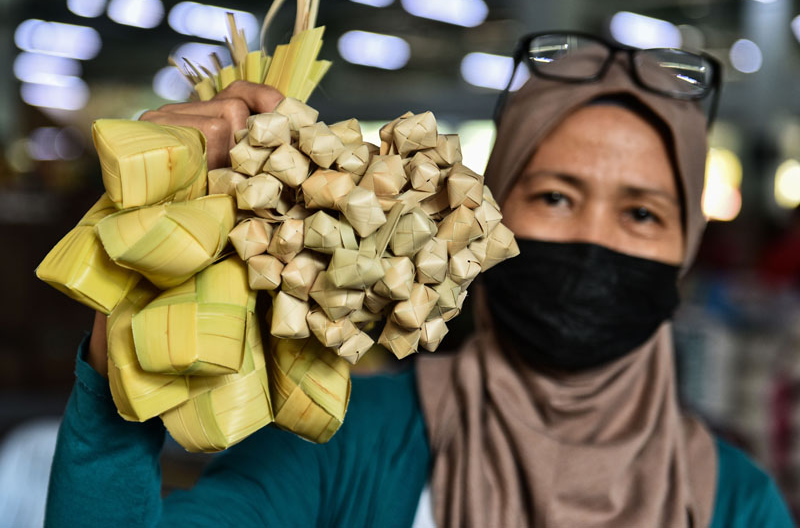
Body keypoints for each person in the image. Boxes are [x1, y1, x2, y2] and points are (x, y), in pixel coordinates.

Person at [45, 33, 794, 527]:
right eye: (555, 197)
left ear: (686, 252)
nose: (593, 239)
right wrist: (126, 365)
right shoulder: (342, 443)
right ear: (486, 221)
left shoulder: (737, 503)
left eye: (642, 213)